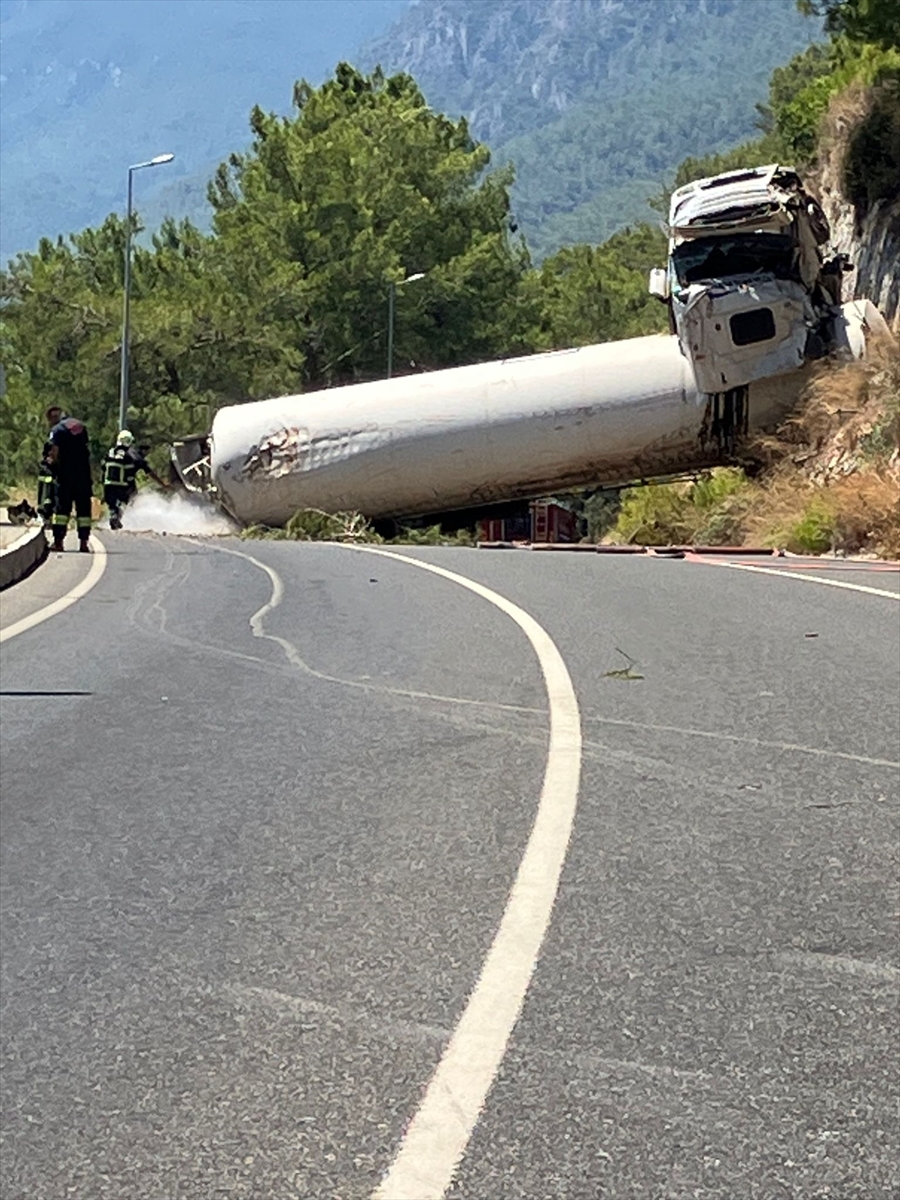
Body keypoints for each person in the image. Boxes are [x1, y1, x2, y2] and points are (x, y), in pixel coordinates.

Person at [46, 407, 93, 552]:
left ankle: (58, 542)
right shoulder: (80, 426)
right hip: (83, 476)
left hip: (65, 476)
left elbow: (55, 452)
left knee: (62, 510)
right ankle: (84, 543)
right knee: (84, 510)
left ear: (54, 417)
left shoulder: (57, 430)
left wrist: (50, 462)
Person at [103, 430, 168, 529]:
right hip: (124, 486)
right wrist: (163, 484)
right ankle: (117, 517)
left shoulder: (110, 452)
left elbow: (103, 466)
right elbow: (149, 472)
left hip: (108, 485)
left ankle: (114, 517)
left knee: (112, 504)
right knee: (128, 499)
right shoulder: (133, 456)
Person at [37, 404, 62, 526]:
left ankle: (49, 516)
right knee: (47, 493)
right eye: (53, 416)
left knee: (54, 495)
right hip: (51, 469)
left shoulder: (59, 431)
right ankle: (46, 516)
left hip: (58, 469)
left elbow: (54, 448)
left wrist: (53, 459)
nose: (55, 419)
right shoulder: (55, 431)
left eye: (57, 416)